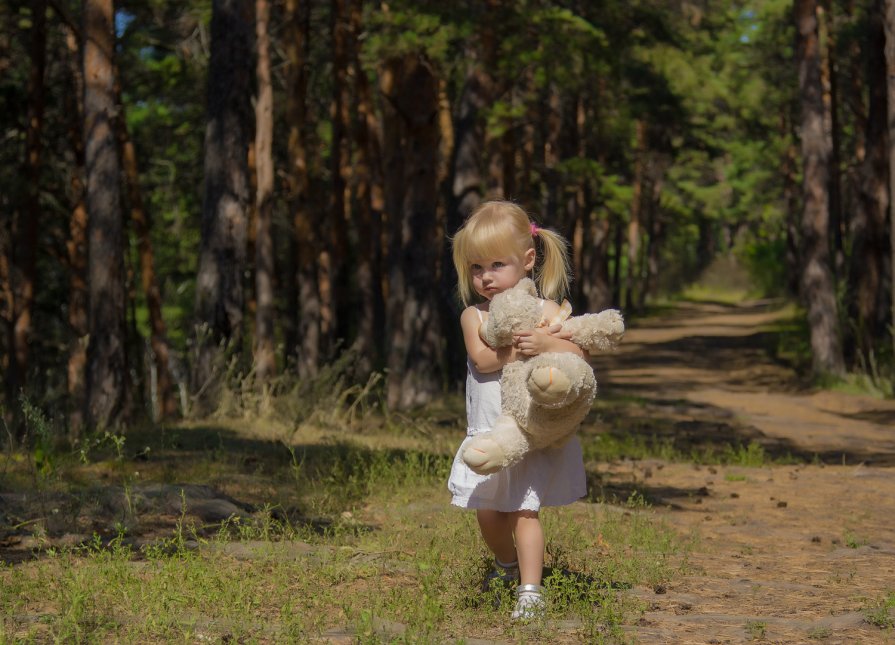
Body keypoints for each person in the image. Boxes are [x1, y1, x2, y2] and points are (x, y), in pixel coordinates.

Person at [447, 200, 589, 620]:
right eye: (476, 268)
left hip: (526, 432)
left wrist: (546, 343)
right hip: (488, 432)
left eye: (496, 264)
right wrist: (515, 348)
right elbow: (482, 360)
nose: (486, 277)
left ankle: (530, 589)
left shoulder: (546, 311)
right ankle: (506, 564)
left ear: (527, 261)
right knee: (488, 513)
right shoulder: (473, 315)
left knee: (525, 510)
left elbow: (579, 349)